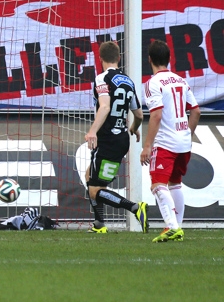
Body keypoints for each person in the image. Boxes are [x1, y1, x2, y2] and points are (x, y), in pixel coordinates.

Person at [140, 40, 201, 243]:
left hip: (166, 142)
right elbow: (196, 111)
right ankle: (176, 226)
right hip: (184, 141)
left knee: (157, 184)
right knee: (175, 184)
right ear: (169, 59)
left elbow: (156, 115)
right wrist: (187, 133)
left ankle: (173, 227)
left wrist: (147, 145)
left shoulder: (152, 84)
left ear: (149, 60)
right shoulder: (181, 80)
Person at [84, 40, 146, 234]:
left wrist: (92, 130)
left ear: (100, 58)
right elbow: (139, 115)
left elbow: (105, 106)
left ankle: (134, 208)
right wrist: (134, 129)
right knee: (90, 177)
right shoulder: (128, 81)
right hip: (122, 140)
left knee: (95, 189)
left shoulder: (102, 78)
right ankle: (99, 224)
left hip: (107, 139)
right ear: (119, 58)